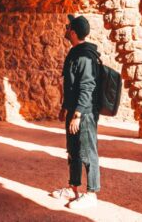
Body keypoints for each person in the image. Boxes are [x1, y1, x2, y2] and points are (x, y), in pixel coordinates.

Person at [51, 14, 100, 209]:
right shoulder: (75, 52)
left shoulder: (85, 56)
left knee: (88, 152)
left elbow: (87, 87)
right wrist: (65, 108)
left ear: (72, 31)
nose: (65, 28)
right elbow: (71, 84)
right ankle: (73, 188)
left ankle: (92, 193)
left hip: (84, 113)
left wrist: (78, 114)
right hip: (73, 110)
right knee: (73, 151)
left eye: (68, 27)